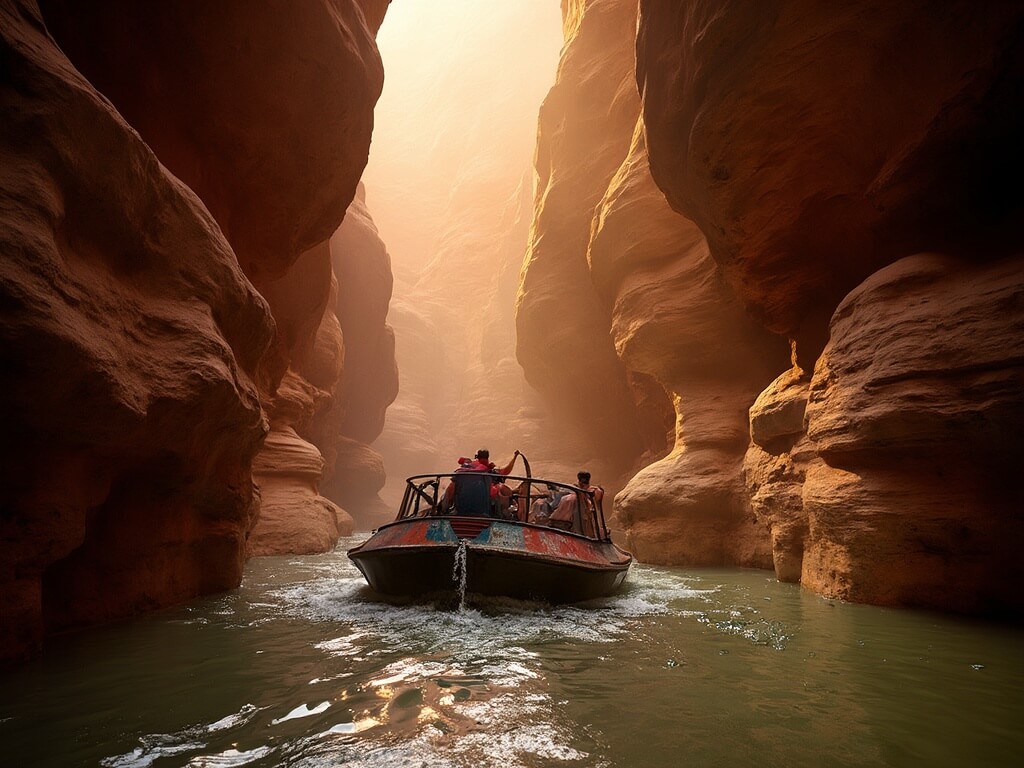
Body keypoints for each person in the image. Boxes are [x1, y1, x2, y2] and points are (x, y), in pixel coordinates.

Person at [548, 471, 603, 536]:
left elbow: (597, 496)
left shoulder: (592, 490)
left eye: (584, 480)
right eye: (582, 480)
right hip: (571, 518)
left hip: (584, 516)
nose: (582, 482)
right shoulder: (572, 491)